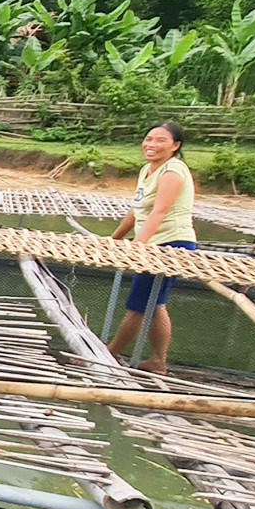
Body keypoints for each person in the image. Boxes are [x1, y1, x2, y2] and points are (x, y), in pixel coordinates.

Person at [108, 121, 197, 374]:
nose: (151, 145)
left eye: (160, 141)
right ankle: (159, 362)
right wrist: (114, 239)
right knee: (155, 304)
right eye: (149, 139)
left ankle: (110, 354)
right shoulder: (148, 170)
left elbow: (161, 210)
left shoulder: (172, 170)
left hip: (170, 244)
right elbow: (137, 211)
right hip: (153, 244)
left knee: (138, 305)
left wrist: (138, 246)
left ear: (175, 146)